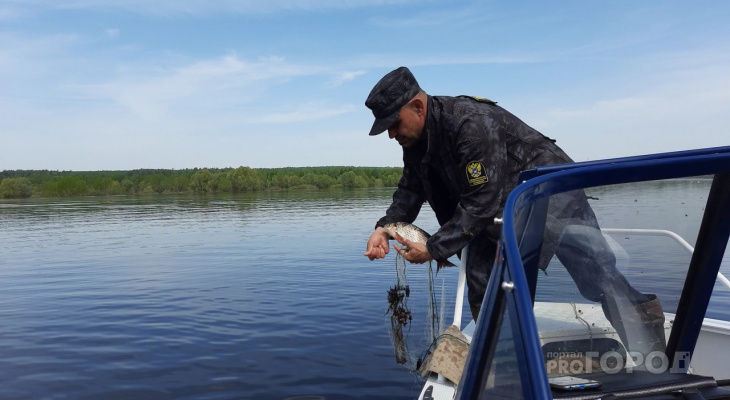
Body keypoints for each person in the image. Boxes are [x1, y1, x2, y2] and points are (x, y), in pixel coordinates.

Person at [362, 66, 665, 354]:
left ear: (417, 106)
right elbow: (410, 190)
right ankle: (503, 367)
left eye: (394, 124)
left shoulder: (469, 122)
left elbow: (482, 198)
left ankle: (654, 355)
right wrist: (384, 227)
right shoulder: (415, 140)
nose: (391, 134)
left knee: (598, 277)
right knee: (485, 287)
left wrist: (434, 247)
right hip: (496, 213)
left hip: (556, 197)